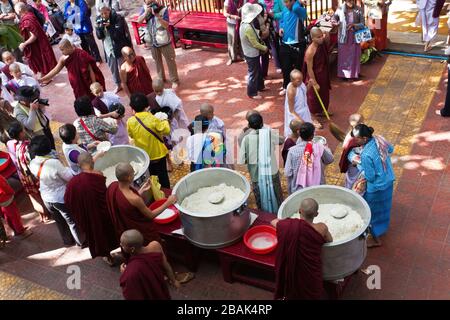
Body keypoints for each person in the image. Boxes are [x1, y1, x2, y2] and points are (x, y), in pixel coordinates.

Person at [271, 198, 332, 300]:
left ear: (299, 211)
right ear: (316, 214)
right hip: (310, 274)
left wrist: (288, 222)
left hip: (291, 270)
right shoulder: (322, 228)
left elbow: (273, 222)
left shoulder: (288, 226)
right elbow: (330, 240)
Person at [64, 152, 119, 265]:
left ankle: (108, 257)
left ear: (79, 165)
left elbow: (68, 201)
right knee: (110, 232)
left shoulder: (72, 183)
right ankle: (123, 249)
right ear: (93, 162)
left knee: (97, 235)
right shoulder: (98, 175)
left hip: (87, 217)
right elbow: (106, 194)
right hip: (104, 214)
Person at [29, 135, 83, 246]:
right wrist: (68, 169)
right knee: (71, 221)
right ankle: (80, 241)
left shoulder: (33, 162)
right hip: (60, 197)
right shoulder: (53, 163)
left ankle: (67, 241)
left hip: (46, 197)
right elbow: (68, 177)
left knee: (59, 221)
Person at [106, 162, 177, 245]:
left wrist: (141, 190)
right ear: (129, 177)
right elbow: (151, 215)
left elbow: (127, 201)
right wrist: (168, 203)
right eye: (133, 173)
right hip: (138, 230)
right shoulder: (135, 199)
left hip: (124, 228)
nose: (134, 174)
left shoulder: (112, 186)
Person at [350, 124, 395, 248]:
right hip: (388, 180)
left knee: (371, 213)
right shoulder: (379, 139)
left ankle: (375, 239)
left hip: (376, 187)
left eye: (357, 138)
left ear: (364, 139)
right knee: (384, 208)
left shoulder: (365, 155)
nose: (354, 140)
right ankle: (382, 228)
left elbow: (370, 177)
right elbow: (391, 149)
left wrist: (357, 164)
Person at [239, 113, 283, 213]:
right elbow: (281, 140)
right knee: (277, 195)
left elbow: (242, 160)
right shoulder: (269, 134)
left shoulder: (246, 139)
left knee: (260, 197)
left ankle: (263, 215)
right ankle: (280, 212)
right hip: (271, 172)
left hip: (256, 174)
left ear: (249, 126)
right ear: (262, 123)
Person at [6, 121, 49, 222]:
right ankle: (46, 213)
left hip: (23, 175)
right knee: (41, 194)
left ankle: (42, 214)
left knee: (33, 195)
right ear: (21, 133)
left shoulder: (10, 143)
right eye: (23, 130)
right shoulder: (27, 146)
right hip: (32, 175)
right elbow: (32, 161)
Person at [127, 93, 171, 188]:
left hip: (144, 157)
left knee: (151, 177)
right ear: (147, 106)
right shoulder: (153, 119)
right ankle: (167, 194)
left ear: (132, 108)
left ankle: (155, 192)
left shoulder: (130, 121)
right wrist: (164, 119)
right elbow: (167, 130)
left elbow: (131, 135)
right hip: (159, 155)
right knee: (163, 176)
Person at [119, 229, 178, 300]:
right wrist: (174, 281)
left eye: (122, 244)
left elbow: (131, 294)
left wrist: (125, 273)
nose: (120, 245)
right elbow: (166, 265)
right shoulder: (155, 245)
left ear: (132, 249)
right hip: (159, 284)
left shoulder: (133, 269)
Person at [39, 39, 106, 99]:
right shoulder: (63, 58)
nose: (62, 52)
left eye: (62, 50)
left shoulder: (81, 53)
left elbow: (90, 70)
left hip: (87, 83)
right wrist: (43, 79)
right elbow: (55, 70)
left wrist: (94, 84)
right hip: (77, 85)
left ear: (68, 47)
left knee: (93, 100)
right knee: (81, 101)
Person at [138, 0, 179, 89]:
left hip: (164, 40)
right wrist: (146, 13)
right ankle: (161, 78)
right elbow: (139, 21)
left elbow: (166, 25)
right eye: (146, 2)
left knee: (170, 60)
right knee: (157, 61)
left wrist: (158, 17)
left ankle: (174, 80)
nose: (148, 3)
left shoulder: (163, 9)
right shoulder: (144, 8)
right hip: (153, 41)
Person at [285, 122, 333, 194]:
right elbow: (330, 159)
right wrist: (326, 148)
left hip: (299, 189)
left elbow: (288, 173)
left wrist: (290, 192)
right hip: (317, 187)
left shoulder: (292, 151)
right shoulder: (319, 147)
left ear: (299, 134)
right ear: (312, 136)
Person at [95, 4, 132, 93]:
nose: (104, 15)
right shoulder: (98, 19)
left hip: (119, 47)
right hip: (108, 49)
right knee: (113, 69)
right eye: (102, 14)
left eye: (106, 13)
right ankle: (118, 85)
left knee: (123, 67)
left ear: (109, 11)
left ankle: (129, 83)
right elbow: (99, 37)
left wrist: (109, 27)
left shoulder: (117, 18)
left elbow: (119, 34)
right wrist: (99, 28)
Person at [15, 2, 57, 77]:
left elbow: (34, 36)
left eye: (15, 10)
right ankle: (46, 75)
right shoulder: (30, 15)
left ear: (20, 10)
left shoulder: (27, 20)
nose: (15, 12)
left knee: (41, 62)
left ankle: (47, 77)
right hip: (40, 41)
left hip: (38, 45)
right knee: (43, 62)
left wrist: (24, 44)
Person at [278, 0, 307, 94]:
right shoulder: (285, 10)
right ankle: (286, 87)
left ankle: (298, 89)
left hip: (298, 44)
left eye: (286, 2)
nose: (285, 4)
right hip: (285, 44)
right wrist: (281, 28)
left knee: (297, 69)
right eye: (284, 2)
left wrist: (298, 2)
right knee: (286, 68)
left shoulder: (297, 9)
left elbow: (304, 15)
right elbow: (281, 21)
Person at [239, 3, 267, 100]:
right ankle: (252, 92)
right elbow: (255, 43)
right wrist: (265, 48)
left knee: (257, 70)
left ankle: (260, 86)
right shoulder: (248, 27)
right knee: (253, 73)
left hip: (250, 52)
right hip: (251, 53)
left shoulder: (244, 24)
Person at [304, 27, 332, 117]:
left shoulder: (321, 44)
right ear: (313, 39)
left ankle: (323, 111)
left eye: (321, 36)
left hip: (323, 73)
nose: (321, 38)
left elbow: (327, 35)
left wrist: (324, 33)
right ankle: (313, 117)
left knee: (325, 94)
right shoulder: (310, 51)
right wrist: (315, 83)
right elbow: (309, 69)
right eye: (318, 37)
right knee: (314, 98)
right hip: (315, 76)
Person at [334, 0, 365, 80]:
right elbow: (334, 19)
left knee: (355, 55)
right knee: (343, 56)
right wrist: (335, 22)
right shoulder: (340, 9)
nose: (350, 2)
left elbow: (362, 24)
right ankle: (343, 75)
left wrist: (354, 25)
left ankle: (354, 73)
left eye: (351, 0)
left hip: (354, 36)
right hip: (343, 36)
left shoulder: (359, 9)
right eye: (348, 0)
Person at [0, 174, 33, 239]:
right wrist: (11, 193)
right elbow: (4, 186)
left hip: (3, 200)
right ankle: (20, 231)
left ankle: (15, 230)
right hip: (5, 199)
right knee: (14, 215)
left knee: (7, 216)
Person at [283, 69, 314, 137]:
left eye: (301, 79)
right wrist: (301, 121)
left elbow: (304, 92)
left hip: (304, 112)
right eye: (298, 81)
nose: (300, 82)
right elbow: (291, 110)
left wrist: (309, 85)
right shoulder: (291, 91)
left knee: (307, 133)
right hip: (296, 115)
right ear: (292, 80)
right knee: (296, 135)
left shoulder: (301, 84)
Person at [339, 113, 364, 188]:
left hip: (355, 163)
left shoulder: (351, 134)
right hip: (354, 165)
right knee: (353, 180)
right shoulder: (352, 140)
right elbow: (348, 154)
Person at [223, 0, 244, 65]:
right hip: (231, 22)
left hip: (241, 22)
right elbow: (225, 13)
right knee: (232, 40)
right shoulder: (228, 1)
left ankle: (243, 55)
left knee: (242, 39)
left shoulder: (242, 1)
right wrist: (233, 16)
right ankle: (232, 58)